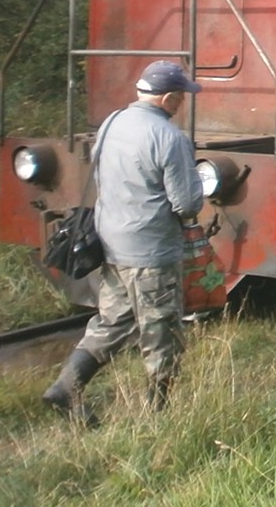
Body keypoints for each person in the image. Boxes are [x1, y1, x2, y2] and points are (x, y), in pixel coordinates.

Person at [43, 60, 206, 425]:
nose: (183, 102)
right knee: (162, 330)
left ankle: (65, 388)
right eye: (181, 96)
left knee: (113, 321)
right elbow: (186, 204)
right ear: (168, 98)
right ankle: (159, 416)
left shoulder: (112, 123)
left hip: (112, 244)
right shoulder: (170, 138)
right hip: (151, 251)